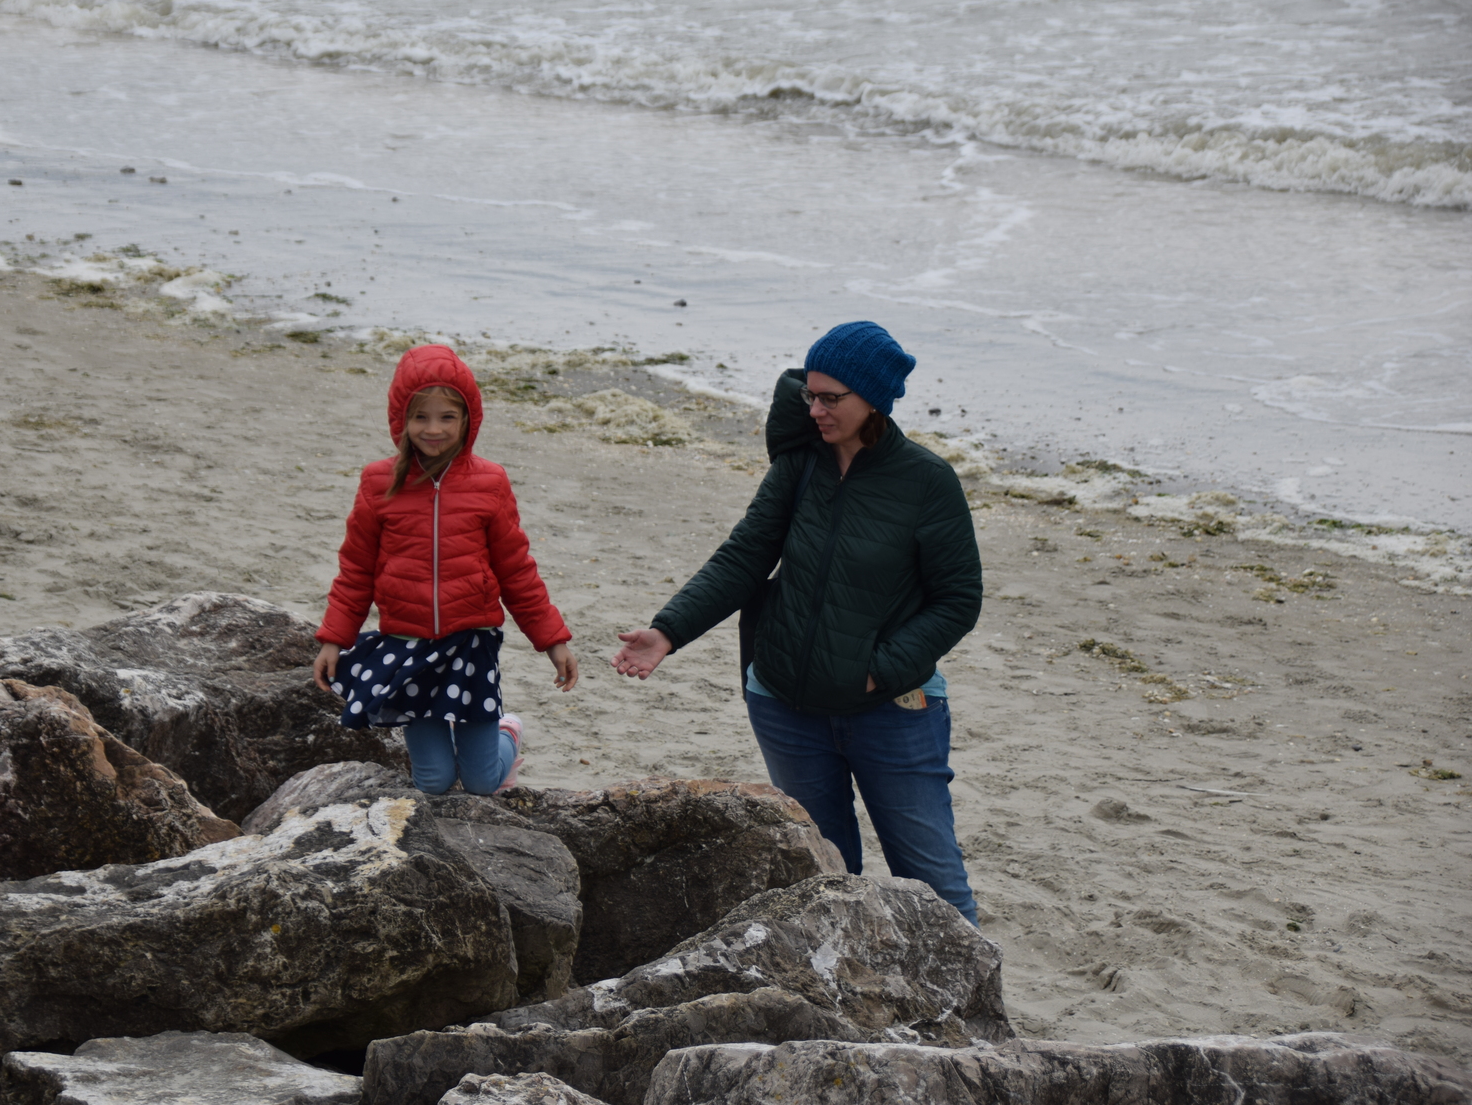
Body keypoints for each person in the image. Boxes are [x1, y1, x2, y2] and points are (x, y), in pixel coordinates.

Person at [611, 321, 982, 924]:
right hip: (786, 705)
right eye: (810, 394)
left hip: (892, 711)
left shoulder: (926, 481)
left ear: (873, 398)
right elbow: (744, 557)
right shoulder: (801, 464)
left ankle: (973, 991)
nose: (815, 410)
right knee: (825, 878)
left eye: (831, 398)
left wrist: (878, 671)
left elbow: (958, 599)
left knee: (935, 885)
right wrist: (668, 632)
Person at [313, 344, 579, 795]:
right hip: (409, 649)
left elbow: (516, 569)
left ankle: (507, 733)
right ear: (400, 419)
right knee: (433, 782)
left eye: (447, 417)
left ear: (468, 419)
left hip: (470, 647)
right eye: (420, 417)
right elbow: (355, 569)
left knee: (480, 782)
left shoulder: (490, 481)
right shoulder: (378, 482)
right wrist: (334, 639)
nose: (433, 429)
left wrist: (553, 641)